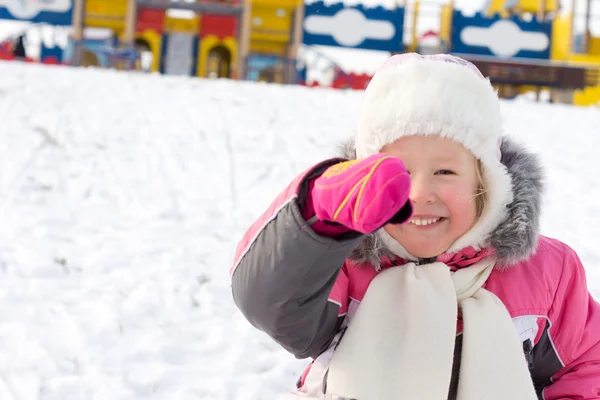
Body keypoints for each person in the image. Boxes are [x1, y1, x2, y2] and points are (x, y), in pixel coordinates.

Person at [230, 53, 600, 399]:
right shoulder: (343, 266)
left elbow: (586, 364)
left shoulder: (548, 274)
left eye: (445, 171)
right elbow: (269, 304)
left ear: (485, 181)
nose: (421, 193)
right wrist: (316, 220)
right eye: (399, 172)